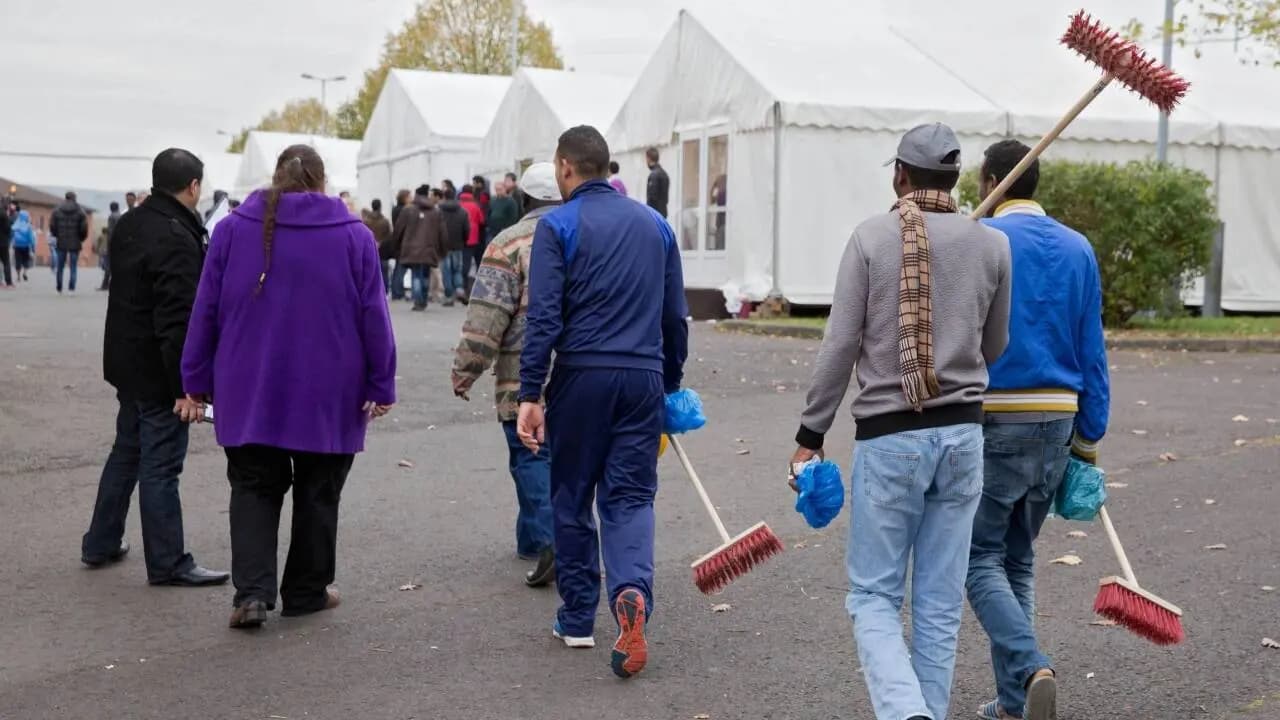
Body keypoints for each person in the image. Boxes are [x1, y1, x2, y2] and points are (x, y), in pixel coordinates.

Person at [789, 123, 1012, 720]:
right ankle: (923, 713)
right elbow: (996, 345)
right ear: (956, 179)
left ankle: (907, 713)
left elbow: (839, 347)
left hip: (890, 438)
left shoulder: (869, 239)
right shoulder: (991, 245)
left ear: (900, 175)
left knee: (872, 597)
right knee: (938, 604)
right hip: (965, 434)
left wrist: (810, 436)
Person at [181, 144, 397, 630]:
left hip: (248, 383)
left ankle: (252, 594)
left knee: (254, 487)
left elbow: (206, 311)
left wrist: (194, 380)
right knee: (320, 491)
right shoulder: (354, 237)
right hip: (331, 390)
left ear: (275, 178)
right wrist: (381, 381)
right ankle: (305, 590)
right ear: (321, 183)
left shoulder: (232, 231)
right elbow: (374, 316)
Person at [517, 125, 688, 679]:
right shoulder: (655, 226)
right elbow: (673, 318)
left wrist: (529, 392)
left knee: (571, 497)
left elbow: (543, 318)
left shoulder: (556, 226)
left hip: (581, 376)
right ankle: (632, 593)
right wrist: (670, 382)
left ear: (565, 167)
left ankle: (575, 619)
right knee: (631, 498)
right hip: (642, 378)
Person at [965, 140, 1110, 720]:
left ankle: (1030, 667)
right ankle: (1012, 705)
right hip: (1059, 417)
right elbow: (1092, 348)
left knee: (977, 559)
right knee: (1017, 560)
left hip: (997, 413)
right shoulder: (1079, 249)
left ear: (990, 179)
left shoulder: (983, 241)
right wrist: (1090, 438)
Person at [83, 148, 229, 587]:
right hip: (158, 370)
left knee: (126, 453)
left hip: (126, 362)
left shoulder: (132, 222)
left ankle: (101, 541)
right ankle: (167, 562)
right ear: (194, 186)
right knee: (161, 466)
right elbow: (176, 321)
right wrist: (187, 387)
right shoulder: (177, 237)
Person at [452, 163, 562, 588]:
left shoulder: (509, 243)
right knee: (562, 459)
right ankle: (534, 541)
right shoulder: (590, 234)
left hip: (523, 373)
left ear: (524, 201)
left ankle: (554, 542)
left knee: (531, 454)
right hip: (587, 370)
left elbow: (487, 317)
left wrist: (466, 369)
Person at [388, 185, 447, 311]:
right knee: (425, 275)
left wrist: (396, 245)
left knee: (416, 275)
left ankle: (418, 301)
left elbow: (398, 229)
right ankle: (423, 299)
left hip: (411, 248)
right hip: (430, 248)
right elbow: (442, 232)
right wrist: (443, 249)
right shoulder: (435, 211)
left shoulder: (408, 210)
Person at [50, 191, 88, 293]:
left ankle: (59, 287)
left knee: (60, 266)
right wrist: (81, 238)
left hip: (61, 241)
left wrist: (56, 235)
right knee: (73, 266)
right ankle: (71, 287)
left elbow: (52, 225)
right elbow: (84, 227)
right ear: (74, 198)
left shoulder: (57, 210)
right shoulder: (80, 211)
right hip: (75, 241)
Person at [438, 186, 470, 306]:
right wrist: (464, 241)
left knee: (446, 271)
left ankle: (449, 296)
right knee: (457, 269)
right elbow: (467, 229)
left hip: (444, 246)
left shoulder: (439, 211)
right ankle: (460, 289)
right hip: (458, 245)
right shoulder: (462, 211)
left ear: (444, 197)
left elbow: (436, 229)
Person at [364, 198, 394, 293]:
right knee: (384, 271)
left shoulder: (366, 221)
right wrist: (380, 242)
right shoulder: (385, 221)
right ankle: (385, 291)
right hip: (383, 250)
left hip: (369, 249)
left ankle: (372, 291)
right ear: (380, 206)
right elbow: (389, 236)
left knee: (371, 272)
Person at [459, 184, 487, 282]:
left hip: (459, 237)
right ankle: (467, 281)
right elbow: (482, 221)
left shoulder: (458, 204)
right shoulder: (475, 205)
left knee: (459, 260)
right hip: (472, 237)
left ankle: (460, 282)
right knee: (468, 260)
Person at [486, 178, 520, 244]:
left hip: (504, 231)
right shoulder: (492, 200)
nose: (498, 191)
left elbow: (513, 217)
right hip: (492, 230)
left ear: (505, 189)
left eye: (500, 189)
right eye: (496, 189)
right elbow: (489, 213)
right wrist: (489, 224)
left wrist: (506, 229)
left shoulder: (511, 201)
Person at [98, 201, 122, 291]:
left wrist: (109, 244)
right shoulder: (121, 215)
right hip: (120, 243)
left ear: (111, 208)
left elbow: (111, 231)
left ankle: (105, 285)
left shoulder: (111, 217)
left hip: (112, 243)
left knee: (108, 265)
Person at [10, 208, 36, 283]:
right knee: (26, 260)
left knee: (18, 260)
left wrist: (12, 243)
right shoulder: (28, 226)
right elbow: (31, 237)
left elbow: (12, 235)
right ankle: (25, 273)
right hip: (26, 246)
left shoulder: (16, 224)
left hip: (17, 246)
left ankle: (18, 276)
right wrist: (33, 246)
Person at [644, 147, 669, 218]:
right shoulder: (664, 173)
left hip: (655, 215)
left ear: (648, 158)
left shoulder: (654, 175)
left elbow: (652, 198)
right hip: (663, 213)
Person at [0, 202, 11, 288]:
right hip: (3, 242)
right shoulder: (3, 214)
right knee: (6, 262)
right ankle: (8, 282)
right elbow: (8, 228)